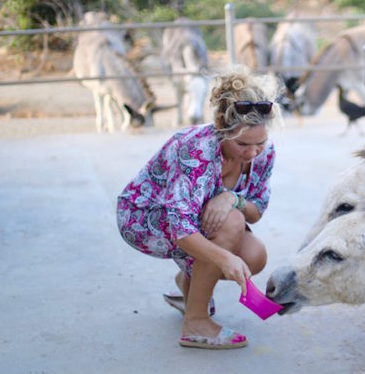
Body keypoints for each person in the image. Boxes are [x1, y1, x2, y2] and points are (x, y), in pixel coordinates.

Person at [116, 70, 281, 349]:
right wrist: (224, 260)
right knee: (232, 225)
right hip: (144, 218)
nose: (253, 152)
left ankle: (189, 283)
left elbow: (257, 208)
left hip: (194, 221)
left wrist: (232, 198)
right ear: (221, 129)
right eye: (242, 144)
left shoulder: (263, 153)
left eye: (260, 142)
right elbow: (181, 230)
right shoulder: (196, 149)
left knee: (254, 254)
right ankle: (195, 321)